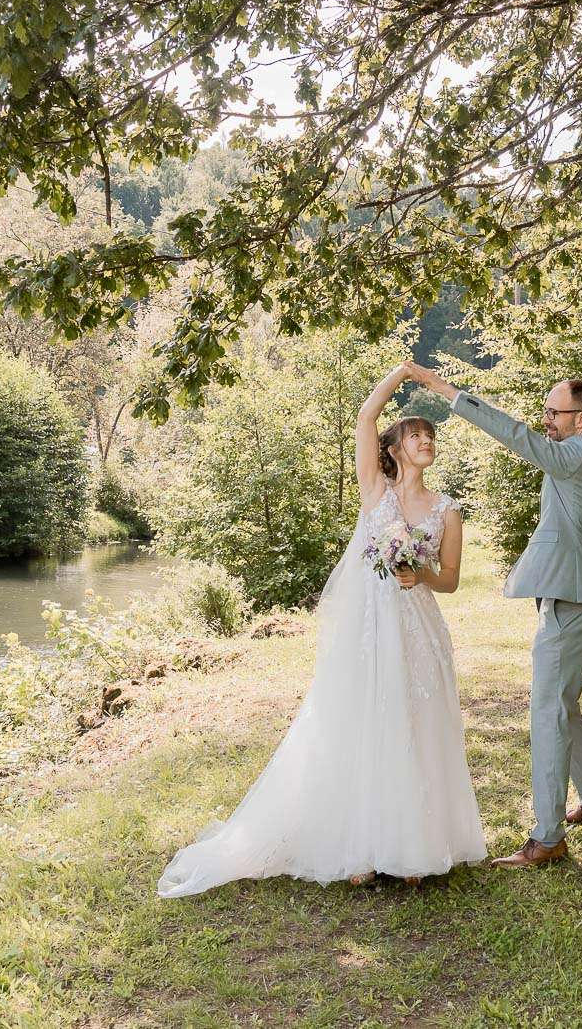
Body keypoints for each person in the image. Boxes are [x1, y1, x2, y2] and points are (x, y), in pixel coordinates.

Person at [157, 363, 486, 896]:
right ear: (396, 448)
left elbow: (448, 580)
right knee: (362, 723)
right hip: (369, 627)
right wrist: (403, 373)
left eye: (430, 436)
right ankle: (359, 844)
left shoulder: (448, 512)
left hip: (417, 623)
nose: (425, 441)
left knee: (415, 723)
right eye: (415, 435)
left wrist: (418, 572)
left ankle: (412, 847)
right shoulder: (375, 490)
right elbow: (365, 413)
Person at [407, 363, 582, 869]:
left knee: (547, 709)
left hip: (574, 596)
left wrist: (449, 393)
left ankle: (546, 838)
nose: (546, 419)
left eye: (555, 412)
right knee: (562, 704)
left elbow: (524, 441)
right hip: (574, 591)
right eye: (546, 411)